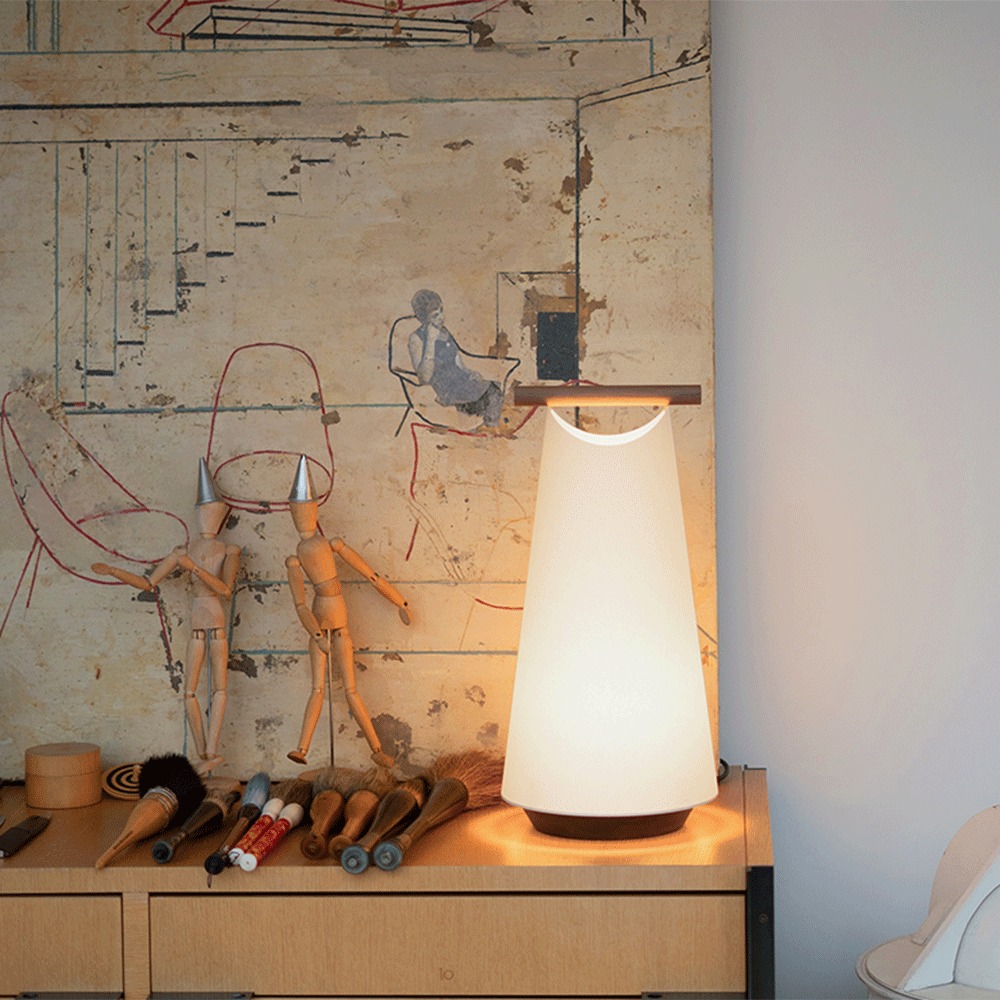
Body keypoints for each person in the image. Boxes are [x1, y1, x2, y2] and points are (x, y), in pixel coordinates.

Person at [93, 459, 240, 773]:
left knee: (220, 688)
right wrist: (115, 571)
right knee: (189, 690)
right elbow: (148, 584)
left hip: (215, 620)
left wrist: (194, 568)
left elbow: (226, 590)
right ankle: (203, 753)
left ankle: (212, 750)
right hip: (197, 623)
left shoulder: (228, 551)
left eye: (212, 511)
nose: (208, 516)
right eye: (204, 511)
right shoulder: (182, 552)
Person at [285, 455, 411, 766]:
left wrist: (399, 601)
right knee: (317, 688)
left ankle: (376, 749)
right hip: (320, 622)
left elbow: (370, 575)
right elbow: (300, 603)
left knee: (351, 690)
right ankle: (301, 749)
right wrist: (317, 635)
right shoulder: (296, 558)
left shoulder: (329, 545)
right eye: (298, 512)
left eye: (305, 511)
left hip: (336, 623)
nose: (302, 517)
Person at [407, 289, 503, 427]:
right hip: (446, 389)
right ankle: (481, 430)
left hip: (461, 381)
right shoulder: (416, 338)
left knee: (495, 390)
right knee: (490, 396)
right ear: (424, 319)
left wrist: (470, 373)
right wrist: (430, 341)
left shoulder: (443, 330)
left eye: (441, 311)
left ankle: (485, 430)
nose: (441, 317)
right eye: (435, 315)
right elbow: (424, 378)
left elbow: (458, 362)